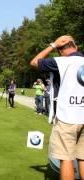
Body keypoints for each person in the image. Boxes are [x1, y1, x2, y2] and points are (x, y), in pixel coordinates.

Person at [30, 35, 84, 180]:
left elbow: (34, 62)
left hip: (68, 117)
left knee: (66, 158)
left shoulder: (61, 62)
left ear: (60, 51)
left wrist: (53, 45)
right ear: (76, 46)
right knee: (83, 158)